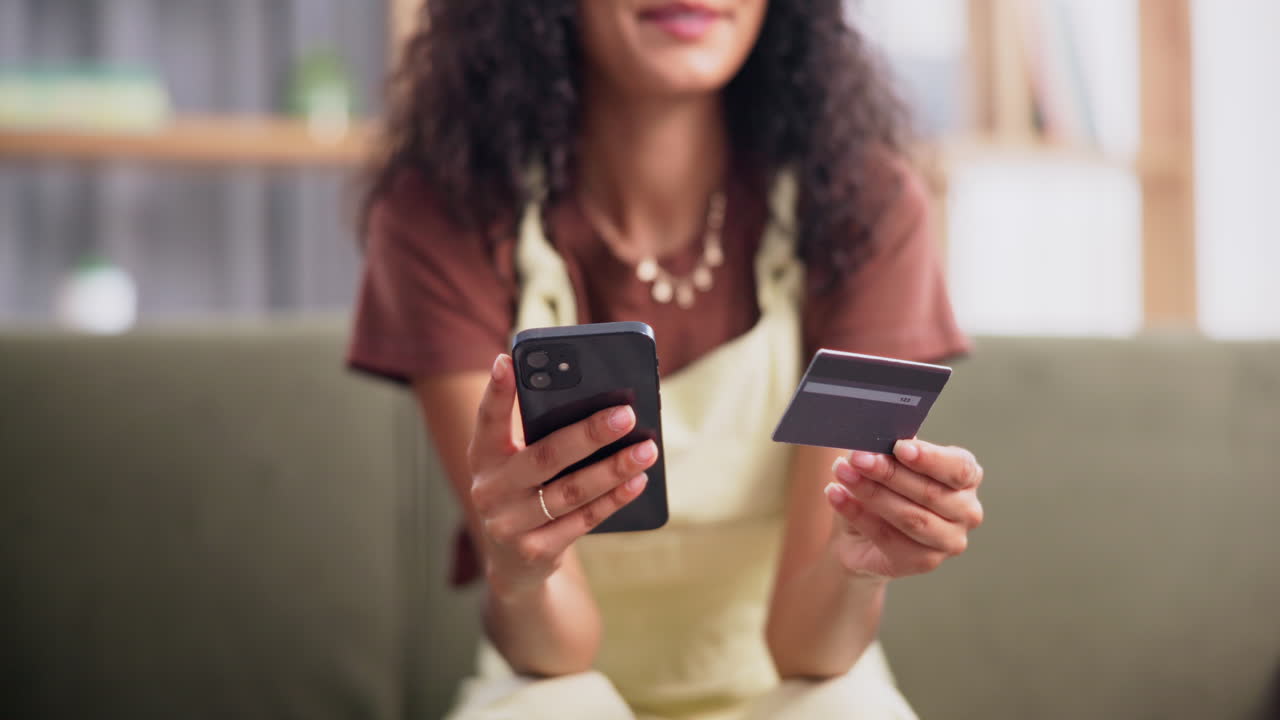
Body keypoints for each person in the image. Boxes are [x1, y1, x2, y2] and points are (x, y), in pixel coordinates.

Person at [349, 1, 985, 717]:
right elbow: (561, 653)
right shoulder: (446, 212)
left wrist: (856, 567)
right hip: (556, 681)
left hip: (797, 683)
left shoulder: (862, 210)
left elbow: (806, 650)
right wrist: (520, 567)